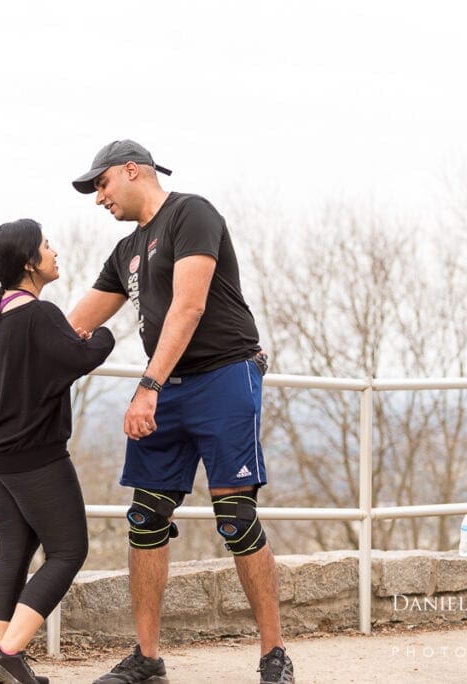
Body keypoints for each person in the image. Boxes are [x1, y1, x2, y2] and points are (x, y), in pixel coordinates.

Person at [65, 140, 294, 684]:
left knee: (235, 520)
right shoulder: (126, 252)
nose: (99, 198)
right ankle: (147, 659)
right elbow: (74, 326)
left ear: (131, 171)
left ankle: (274, 655)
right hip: (166, 386)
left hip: (222, 376)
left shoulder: (192, 213)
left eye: (101, 185)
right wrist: (1, 361)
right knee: (145, 518)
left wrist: (148, 386)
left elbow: (189, 306)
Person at [0, 218, 115, 684]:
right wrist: (99, 335)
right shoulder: (40, 315)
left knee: (15, 554)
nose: (54, 251)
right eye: (47, 246)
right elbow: (81, 357)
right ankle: (7, 654)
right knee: (69, 550)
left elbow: (30, 365)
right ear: (29, 262)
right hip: (34, 456)